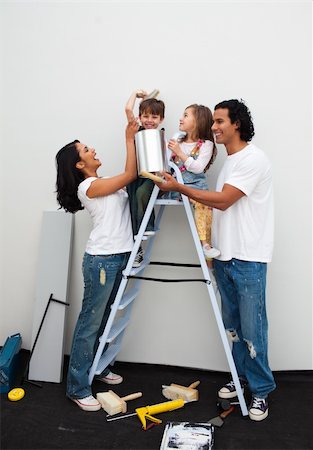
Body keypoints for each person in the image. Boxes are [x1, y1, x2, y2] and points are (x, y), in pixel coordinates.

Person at [154, 99, 276, 422]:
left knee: (253, 330)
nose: (215, 128)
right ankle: (240, 381)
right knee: (234, 328)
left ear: (237, 123)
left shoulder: (254, 159)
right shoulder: (229, 162)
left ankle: (261, 392)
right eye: (214, 122)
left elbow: (222, 202)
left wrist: (179, 187)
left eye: (220, 122)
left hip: (249, 259)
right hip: (225, 257)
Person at [55, 119, 139, 411]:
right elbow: (130, 173)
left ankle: (98, 367)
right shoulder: (89, 187)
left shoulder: (103, 184)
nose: (93, 150)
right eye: (86, 150)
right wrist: (129, 137)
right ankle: (77, 387)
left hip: (120, 256)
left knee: (106, 320)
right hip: (101, 261)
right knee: (90, 323)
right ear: (79, 165)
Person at [168, 104, 220, 262]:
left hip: (198, 187)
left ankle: (206, 246)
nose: (180, 118)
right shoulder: (177, 141)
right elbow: (166, 163)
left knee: (208, 207)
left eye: (185, 115)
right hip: (180, 188)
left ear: (197, 121)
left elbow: (198, 168)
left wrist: (179, 153)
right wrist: (172, 152)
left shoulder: (206, 145)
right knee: (202, 203)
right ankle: (206, 245)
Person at [125, 90, 165, 267]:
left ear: (161, 119)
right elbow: (127, 109)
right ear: (140, 117)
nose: (150, 120)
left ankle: (146, 227)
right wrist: (136, 94)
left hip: (152, 177)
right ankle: (136, 248)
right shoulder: (138, 130)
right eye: (146, 116)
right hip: (136, 175)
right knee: (132, 205)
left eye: (154, 117)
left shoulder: (160, 135)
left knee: (142, 194)